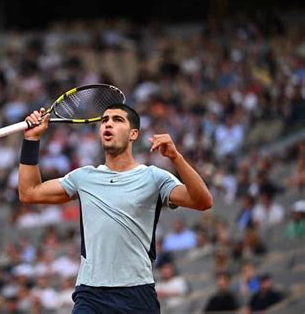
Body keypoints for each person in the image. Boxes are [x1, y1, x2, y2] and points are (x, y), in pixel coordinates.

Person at [18, 103, 213, 313]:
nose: (108, 124)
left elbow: (203, 201)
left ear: (133, 134)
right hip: (90, 294)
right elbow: (29, 192)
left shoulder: (154, 177)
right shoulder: (83, 177)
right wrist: (32, 140)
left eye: (117, 120)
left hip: (137, 293)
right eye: (104, 120)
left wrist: (176, 157)